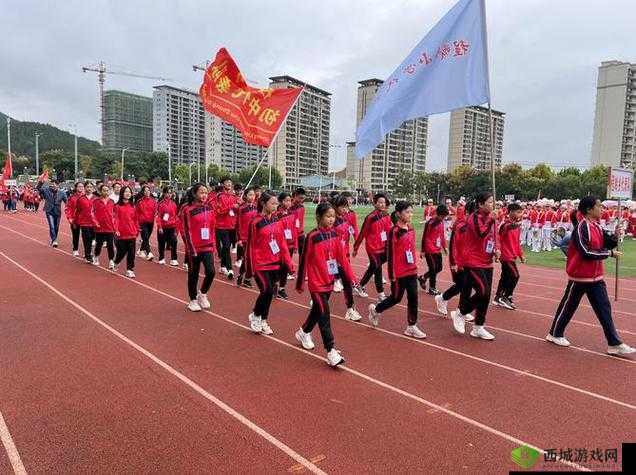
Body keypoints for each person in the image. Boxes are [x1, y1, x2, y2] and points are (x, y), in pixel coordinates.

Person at [547, 196, 635, 355]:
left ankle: (614, 343)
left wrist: (615, 236)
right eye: (599, 206)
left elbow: (607, 242)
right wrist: (609, 253)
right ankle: (554, 333)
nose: (602, 209)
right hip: (580, 276)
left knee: (604, 308)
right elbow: (585, 251)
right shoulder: (582, 227)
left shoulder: (596, 226)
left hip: (596, 277)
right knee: (569, 306)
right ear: (589, 209)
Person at [295, 202, 357, 366]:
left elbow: (342, 258)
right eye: (328, 216)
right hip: (316, 284)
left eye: (333, 216)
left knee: (317, 311)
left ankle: (304, 331)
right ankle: (330, 351)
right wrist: (300, 283)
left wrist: (352, 277)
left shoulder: (335, 235)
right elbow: (304, 260)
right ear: (319, 217)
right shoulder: (312, 237)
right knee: (324, 315)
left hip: (329, 281)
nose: (331, 219)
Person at [368, 201, 427, 339]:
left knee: (413, 297)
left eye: (411, 212)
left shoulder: (411, 228)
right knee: (396, 298)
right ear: (398, 214)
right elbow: (391, 254)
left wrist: (415, 265)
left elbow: (411, 249)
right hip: (399, 272)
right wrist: (391, 274)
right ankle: (376, 310)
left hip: (411, 270)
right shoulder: (394, 232)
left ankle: (411, 326)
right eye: (407, 212)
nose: (410, 214)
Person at [451, 191, 500, 340]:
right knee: (483, 292)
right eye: (490, 202)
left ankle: (478, 327)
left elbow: (493, 236)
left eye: (493, 202)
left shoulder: (492, 218)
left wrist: (497, 249)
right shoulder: (474, 218)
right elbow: (481, 233)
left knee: (485, 296)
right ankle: (461, 313)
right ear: (480, 204)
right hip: (473, 261)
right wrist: (491, 220)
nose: (493, 205)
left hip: (487, 261)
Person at [245, 192, 295, 335]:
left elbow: (282, 244)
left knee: (270, 293)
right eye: (272, 203)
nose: (275, 206)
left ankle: (264, 320)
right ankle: (255, 315)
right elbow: (250, 246)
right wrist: (250, 268)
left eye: (276, 203)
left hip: (275, 263)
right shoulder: (255, 222)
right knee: (265, 291)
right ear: (263, 204)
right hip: (260, 264)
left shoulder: (277, 220)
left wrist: (289, 263)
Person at [434, 201, 475, 320]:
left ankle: (459, 308)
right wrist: (453, 262)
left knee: (466, 286)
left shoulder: (474, 225)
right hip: (459, 261)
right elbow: (453, 245)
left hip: (470, 261)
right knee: (462, 285)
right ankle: (445, 300)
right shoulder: (461, 225)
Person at [181, 183, 216, 312]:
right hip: (194, 248)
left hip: (207, 246)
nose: (204, 195)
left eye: (206, 192)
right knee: (193, 274)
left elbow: (212, 227)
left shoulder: (209, 208)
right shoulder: (187, 209)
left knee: (211, 272)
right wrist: (191, 248)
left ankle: (203, 293)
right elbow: (185, 231)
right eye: (201, 192)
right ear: (194, 193)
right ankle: (193, 299)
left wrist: (213, 245)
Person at [353, 193, 393, 301]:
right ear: (375, 203)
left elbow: (389, 231)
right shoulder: (370, 217)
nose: (382, 204)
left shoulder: (386, 216)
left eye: (383, 202)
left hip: (383, 247)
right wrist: (356, 247)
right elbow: (362, 233)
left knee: (373, 267)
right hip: (372, 248)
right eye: (379, 202)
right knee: (378, 268)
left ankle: (359, 286)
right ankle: (381, 295)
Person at [332, 195, 362, 321]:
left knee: (347, 283)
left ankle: (350, 310)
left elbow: (347, 235)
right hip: (333, 258)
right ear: (335, 207)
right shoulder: (332, 222)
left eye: (346, 207)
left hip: (343, 256)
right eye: (342, 207)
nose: (345, 209)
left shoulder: (344, 220)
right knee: (328, 283)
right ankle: (316, 301)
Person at [493, 203, 525, 309]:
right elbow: (508, 227)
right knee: (515, 275)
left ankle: (498, 297)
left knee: (505, 276)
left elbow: (517, 242)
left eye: (520, 212)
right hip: (506, 256)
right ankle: (506, 296)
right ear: (510, 212)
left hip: (512, 255)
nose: (520, 214)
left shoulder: (517, 226)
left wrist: (521, 255)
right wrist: (516, 224)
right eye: (518, 212)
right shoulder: (505, 224)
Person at [418, 204, 449, 295]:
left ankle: (423, 277)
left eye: (444, 216)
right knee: (433, 268)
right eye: (442, 216)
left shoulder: (441, 222)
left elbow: (442, 235)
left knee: (439, 268)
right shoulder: (430, 223)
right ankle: (432, 288)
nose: (443, 218)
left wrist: (445, 247)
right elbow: (425, 236)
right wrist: (423, 250)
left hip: (437, 249)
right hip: (429, 249)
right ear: (438, 214)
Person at [113, 185, 139, 278]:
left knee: (131, 253)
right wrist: (116, 230)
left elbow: (135, 220)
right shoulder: (117, 206)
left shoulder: (133, 206)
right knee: (121, 252)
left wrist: (137, 230)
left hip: (132, 233)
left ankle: (130, 269)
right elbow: (116, 219)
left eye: (129, 192)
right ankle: (116, 261)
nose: (128, 194)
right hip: (121, 233)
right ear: (122, 193)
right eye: (126, 192)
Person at [215, 176, 238, 279]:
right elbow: (219, 211)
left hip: (231, 226)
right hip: (221, 226)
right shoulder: (219, 196)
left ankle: (222, 266)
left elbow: (237, 211)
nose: (229, 184)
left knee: (226, 247)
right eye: (227, 182)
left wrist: (238, 206)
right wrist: (231, 207)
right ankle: (230, 269)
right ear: (223, 184)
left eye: (230, 182)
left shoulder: (234, 197)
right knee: (226, 245)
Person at [275, 192, 297, 299]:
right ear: (280, 201)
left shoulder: (292, 213)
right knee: (278, 266)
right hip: (280, 245)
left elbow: (294, 229)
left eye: (290, 200)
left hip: (290, 245)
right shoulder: (276, 214)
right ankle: (275, 283)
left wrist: (295, 243)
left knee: (285, 267)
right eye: (286, 200)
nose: (288, 203)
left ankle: (281, 288)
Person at [235, 187, 258, 288]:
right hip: (244, 237)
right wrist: (239, 239)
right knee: (247, 258)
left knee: (251, 259)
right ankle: (243, 276)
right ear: (245, 196)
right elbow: (238, 224)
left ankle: (246, 278)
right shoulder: (241, 208)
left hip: (255, 237)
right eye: (250, 195)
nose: (252, 197)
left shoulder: (256, 208)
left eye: (253, 195)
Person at [36, 176, 67, 247]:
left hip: (57, 212)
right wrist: (41, 182)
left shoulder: (62, 193)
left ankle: (53, 238)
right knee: (52, 226)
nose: (53, 185)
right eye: (52, 184)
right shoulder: (46, 190)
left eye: (54, 184)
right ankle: (54, 240)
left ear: (57, 185)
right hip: (49, 211)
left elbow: (67, 202)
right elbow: (38, 188)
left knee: (56, 227)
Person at [92, 183, 116, 269]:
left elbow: (115, 214)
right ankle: (96, 256)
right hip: (99, 227)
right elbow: (92, 213)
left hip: (110, 227)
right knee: (99, 243)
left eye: (107, 190)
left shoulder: (112, 202)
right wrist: (95, 222)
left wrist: (114, 223)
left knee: (110, 244)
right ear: (100, 191)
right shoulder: (96, 201)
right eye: (104, 190)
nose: (106, 192)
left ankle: (111, 261)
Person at [74, 181, 97, 264]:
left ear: (93, 188)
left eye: (91, 187)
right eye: (87, 187)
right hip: (84, 222)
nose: (89, 188)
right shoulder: (81, 199)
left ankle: (88, 252)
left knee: (91, 238)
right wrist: (75, 222)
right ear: (85, 188)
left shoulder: (96, 199)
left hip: (94, 223)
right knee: (86, 238)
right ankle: (88, 255)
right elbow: (78, 211)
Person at [156, 187, 179, 266]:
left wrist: (176, 229)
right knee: (162, 243)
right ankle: (161, 258)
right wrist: (160, 227)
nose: (169, 195)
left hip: (171, 226)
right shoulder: (161, 204)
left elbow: (175, 216)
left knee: (174, 242)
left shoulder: (174, 204)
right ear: (164, 193)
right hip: (163, 227)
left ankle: (174, 258)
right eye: (167, 193)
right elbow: (158, 216)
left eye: (170, 193)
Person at [135, 184, 157, 260]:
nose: (147, 192)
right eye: (145, 191)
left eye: (148, 190)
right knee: (146, 237)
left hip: (150, 222)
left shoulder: (153, 201)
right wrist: (137, 224)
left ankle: (140, 250)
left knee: (146, 238)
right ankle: (149, 253)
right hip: (142, 222)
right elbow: (136, 213)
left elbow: (155, 211)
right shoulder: (139, 202)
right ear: (143, 192)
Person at [65, 182, 83, 256]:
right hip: (75, 220)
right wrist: (70, 218)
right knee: (76, 235)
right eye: (79, 186)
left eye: (82, 186)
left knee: (86, 236)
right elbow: (67, 208)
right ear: (76, 188)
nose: (81, 188)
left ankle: (87, 251)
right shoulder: (72, 197)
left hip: (85, 220)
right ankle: (75, 249)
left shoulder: (85, 197)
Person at [289, 187, 306, 260]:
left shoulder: (302, 207)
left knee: (302, 256)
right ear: (295, 196)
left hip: (300, 234)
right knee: (289, 254)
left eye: (303, 198)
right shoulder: (289, 207)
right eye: (300, 198)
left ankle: (301, 271)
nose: (301, 200)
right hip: (291, 235)